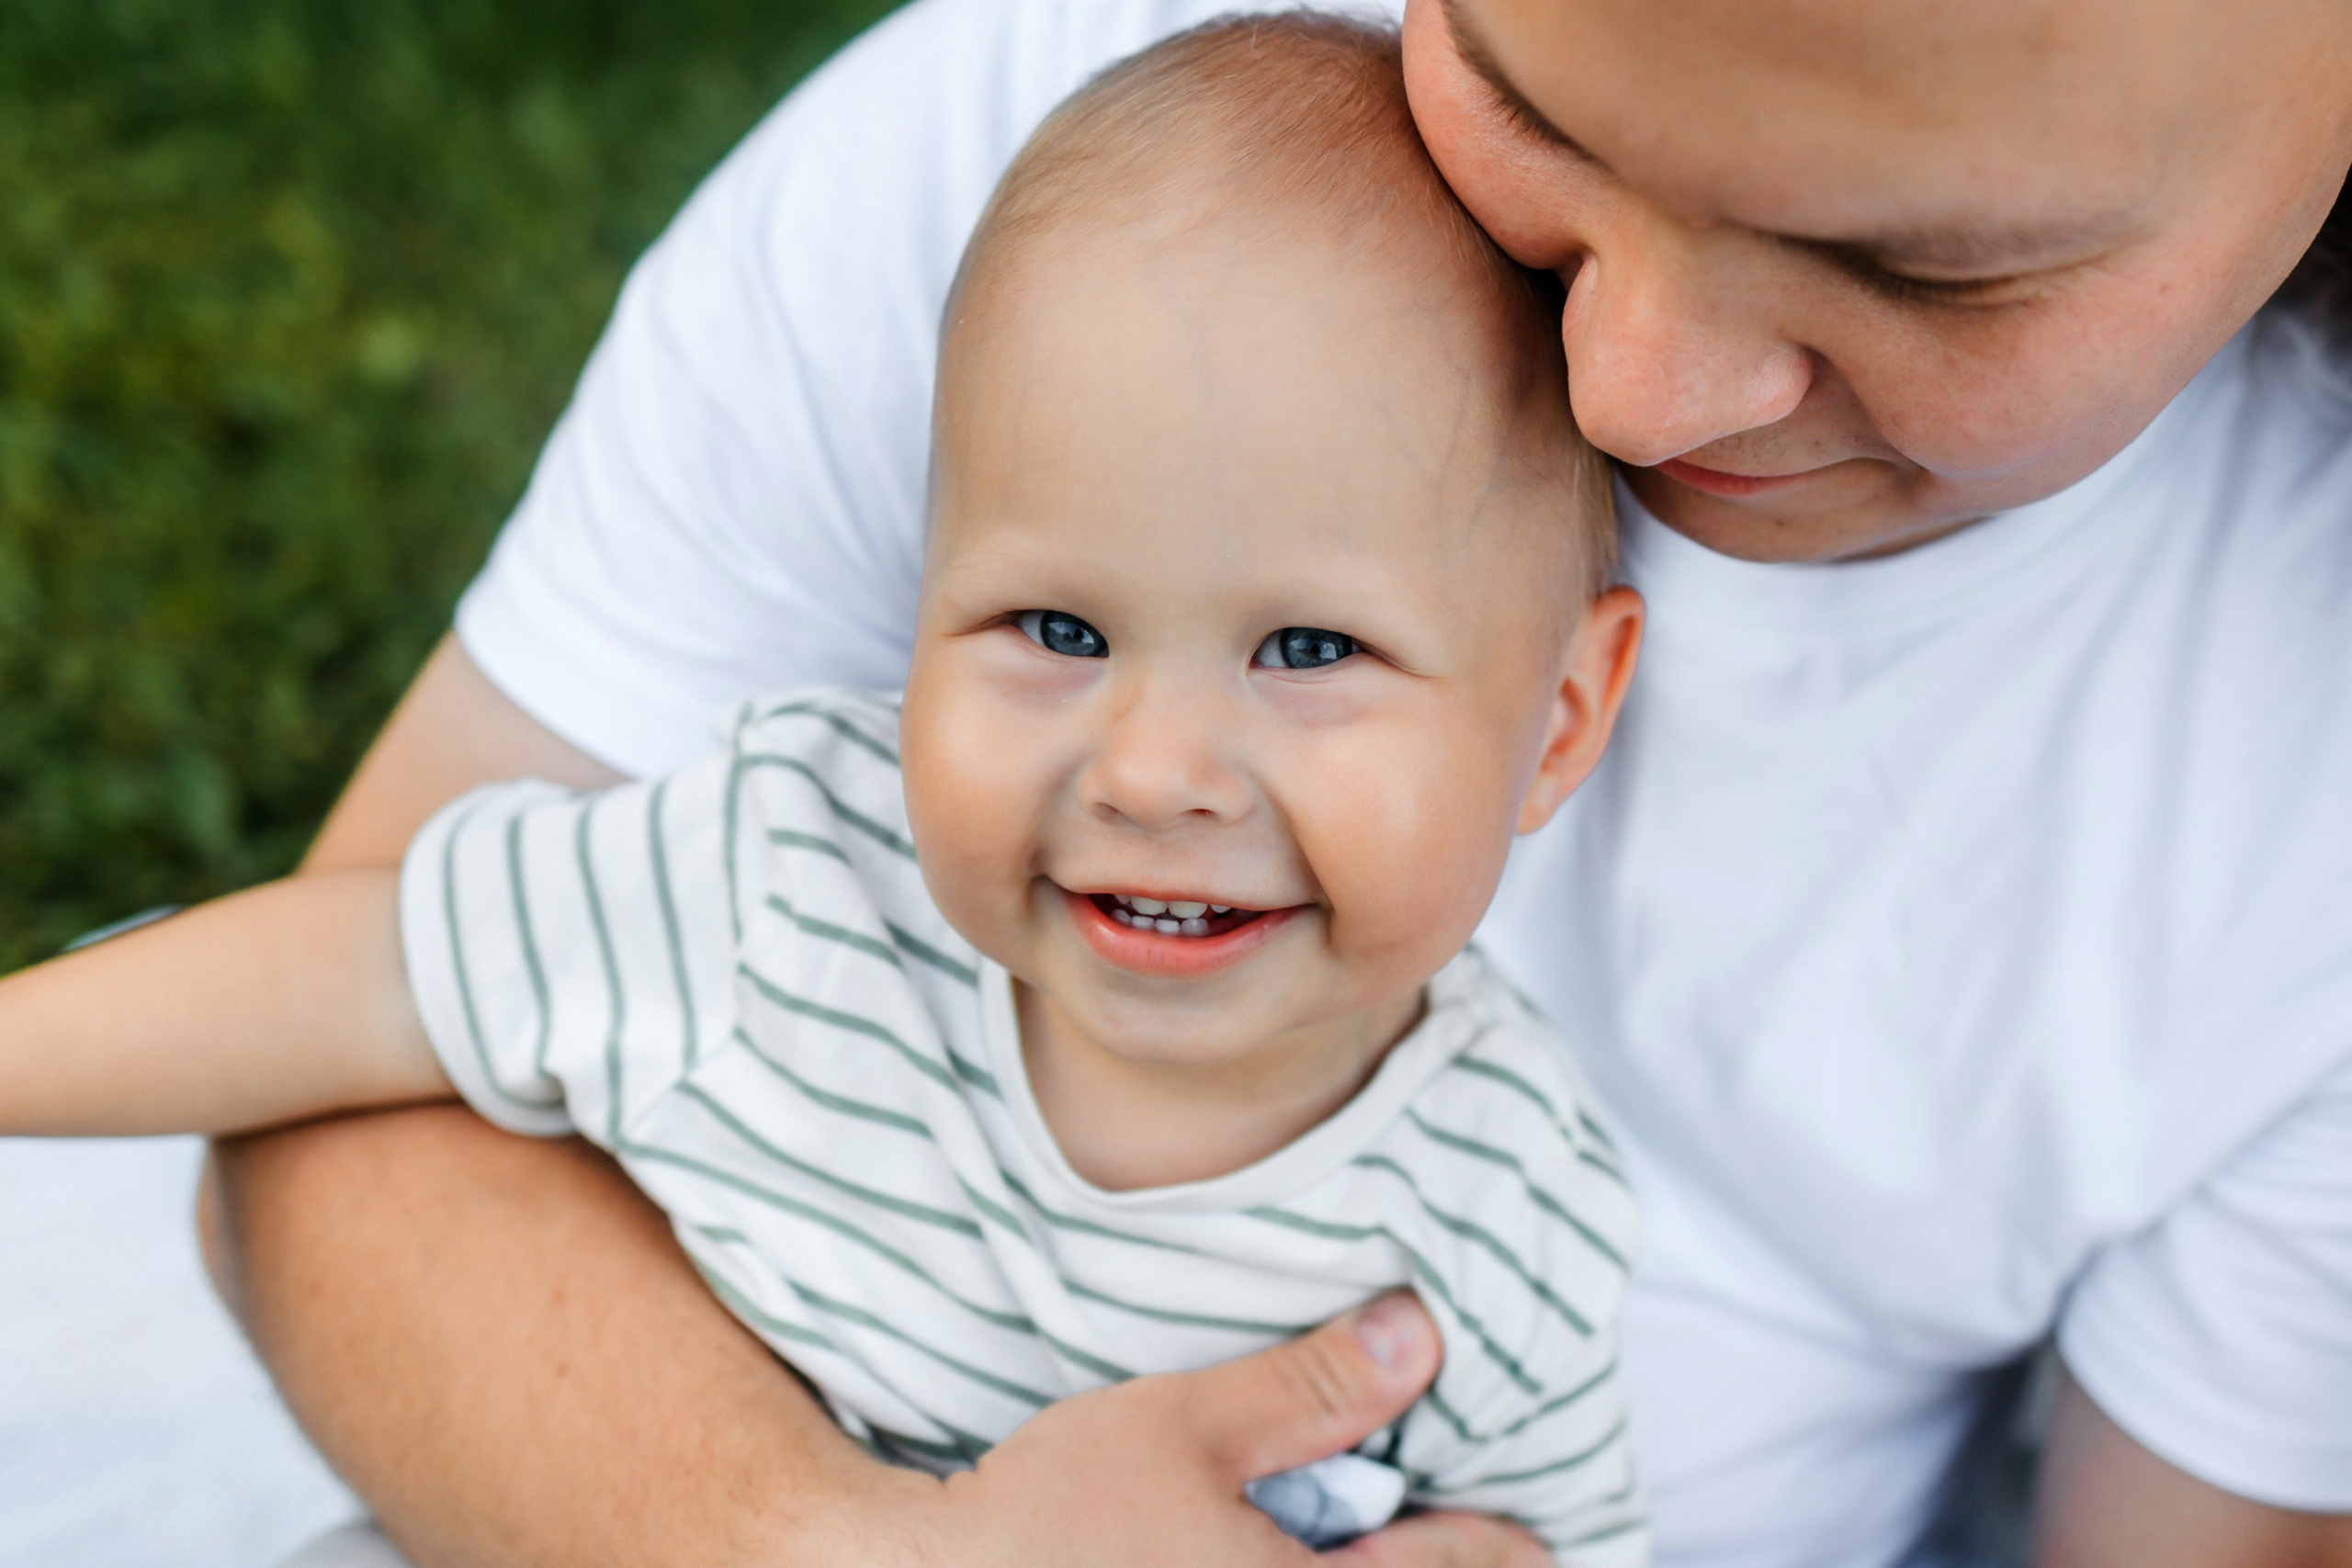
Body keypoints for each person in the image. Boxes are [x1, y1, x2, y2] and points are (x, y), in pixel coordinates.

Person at [201, 0, 2352, 1563]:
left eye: (1928, 270)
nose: (1631, 383)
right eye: (1527, 109)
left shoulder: (2291, 724)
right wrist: (818, 1546)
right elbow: (339, 1077)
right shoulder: (1085, 149)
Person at [8, 17, 1652, 1563]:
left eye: (1307, 649)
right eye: (1056, 627)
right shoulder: (789, 879)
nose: (1152, 770)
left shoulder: (1507, 1216)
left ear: (1561, 719)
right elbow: (370, 967)